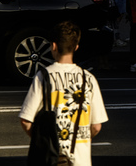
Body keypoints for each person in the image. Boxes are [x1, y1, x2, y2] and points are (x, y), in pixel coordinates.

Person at [19, 21, 108, 165]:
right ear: (76, 47)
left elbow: (26, 120)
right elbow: (96, 126)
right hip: (82, 160)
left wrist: (42, 142)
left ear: (53, 46)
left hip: (51, 158)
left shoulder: (44, 76)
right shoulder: (89, 79)